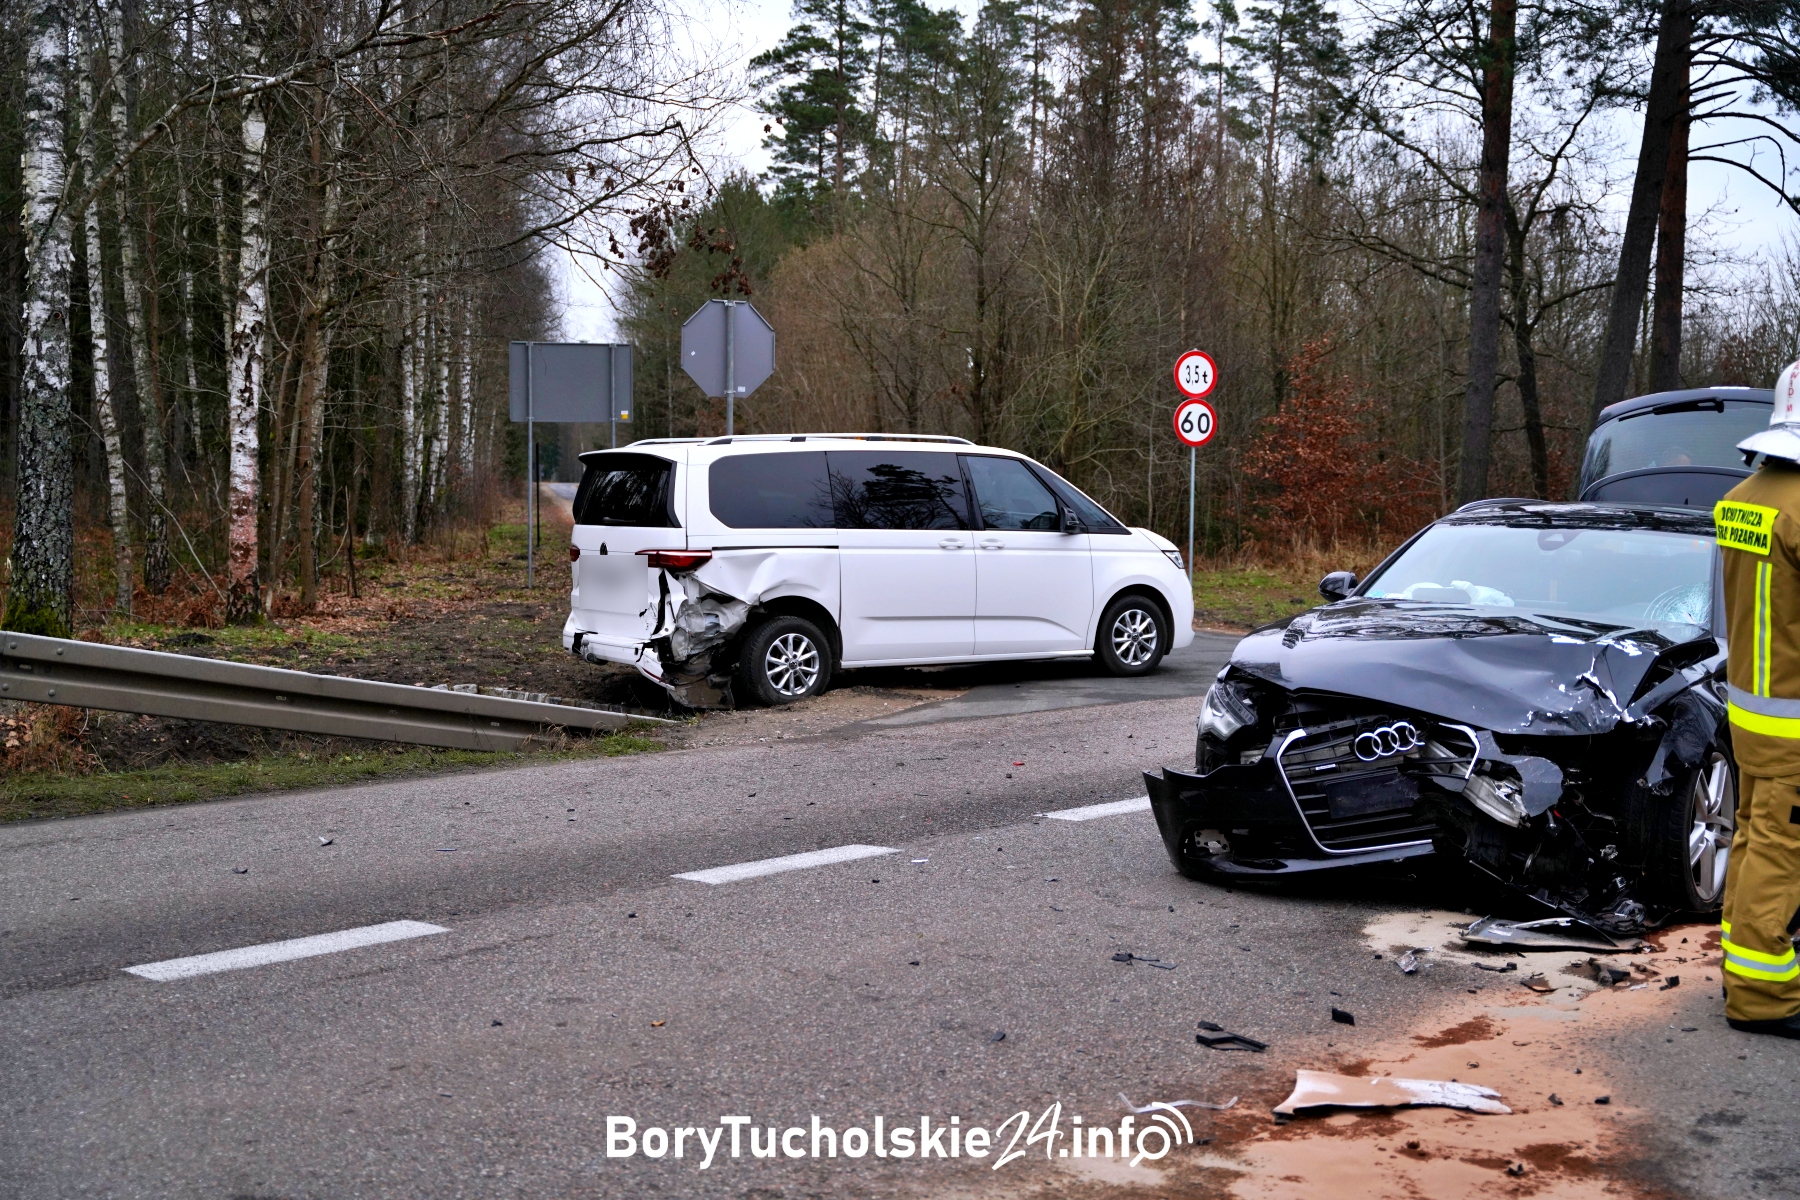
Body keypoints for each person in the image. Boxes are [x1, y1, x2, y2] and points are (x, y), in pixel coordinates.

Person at [1717, 357, 1800, 1036]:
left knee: (1753, 837)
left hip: (1753, 709)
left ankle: (1742, 961)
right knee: (1782, 850)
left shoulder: (1748, 498)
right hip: (1795, 722)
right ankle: (1764, 996)